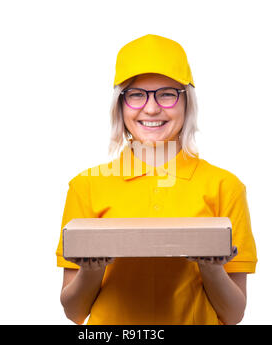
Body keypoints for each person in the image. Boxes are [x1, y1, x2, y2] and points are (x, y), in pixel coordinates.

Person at [56, 34, 257, 325]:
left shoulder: (225, 186)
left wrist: (210, 268)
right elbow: (74, 313)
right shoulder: (86, 186)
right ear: (120, 105)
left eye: (166, 94)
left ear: (187, 102)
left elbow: (234, 314)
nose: (151, 109)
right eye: (137, 94)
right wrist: (91, 269)